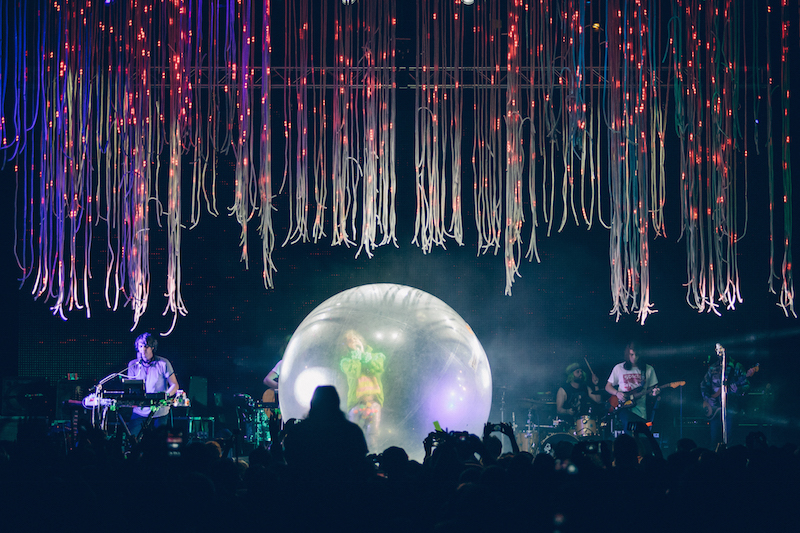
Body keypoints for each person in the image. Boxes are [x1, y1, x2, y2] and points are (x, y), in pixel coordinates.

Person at [700, 346, 757, 447]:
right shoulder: (713, 367)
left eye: (720, 349)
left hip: (731, 408)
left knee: (730, 438)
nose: (718, 352)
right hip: (715, 410)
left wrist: (738, 390)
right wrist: (708, 398)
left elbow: (746, 386)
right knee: (714, 439)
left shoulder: (736, 366)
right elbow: (704, 384)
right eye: (716, 350)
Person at [126, 332, 179, 437]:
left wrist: (163, 397)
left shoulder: (163, 363)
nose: (143, 350)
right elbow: (130, 388)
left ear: (152, 348)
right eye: (140, 346)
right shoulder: (133, 364)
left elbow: (174, 385)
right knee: (132, 438)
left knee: (158, 441)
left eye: (146, 346)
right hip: (139, 411)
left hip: (159, 411)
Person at [340, 330, 385, 450]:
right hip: (356, 404)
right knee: (354, 435)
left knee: (373, 434)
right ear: (347, 345)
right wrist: (356, 356)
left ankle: (372, 457)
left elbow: (377, 368)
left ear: (362, 340)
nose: (354, 340)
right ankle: (353, 459)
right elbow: (354, 373)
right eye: (350, 340)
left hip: (374, 404)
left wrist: (364, 355)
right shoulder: (346, 361)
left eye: (356, 338)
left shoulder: (376, 356)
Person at [605, 343, 660, 434]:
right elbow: (607, 387)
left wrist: (654, 393)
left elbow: (651, 391)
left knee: (640, 435)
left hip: (640, 409)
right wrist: (617, 393)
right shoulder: (619, 368)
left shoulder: (648, 369)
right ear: (627, 354)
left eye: (637, 355)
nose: (634, 357)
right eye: (631, 355)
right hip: (623, 407)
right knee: (628, 428)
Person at [556, 363, 603, 432]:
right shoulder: (563, 390)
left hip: (584, 424)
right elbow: (559, 410)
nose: (580, 373)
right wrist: (567, 411)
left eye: (581, 371)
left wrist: (596, 385)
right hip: (569, 425)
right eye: (577, 372)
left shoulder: (585, 387)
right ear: (571, 375)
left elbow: (598, 400)